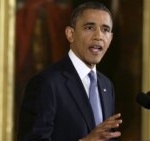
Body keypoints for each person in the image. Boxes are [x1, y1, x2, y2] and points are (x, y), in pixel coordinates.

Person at [17, 1, 122, 141]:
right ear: (70, 34)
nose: (99, 36)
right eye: (89, 28)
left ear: (111, 39)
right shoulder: (46, 83)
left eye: (105, 30)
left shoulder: (106, 85)